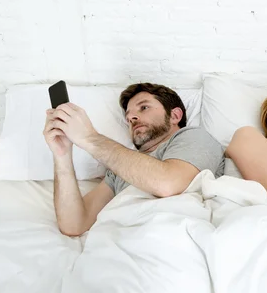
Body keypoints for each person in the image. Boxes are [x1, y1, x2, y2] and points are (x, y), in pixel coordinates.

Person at [43, 83, 225, 236]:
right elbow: (75, 225)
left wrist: (90, 138)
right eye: (128, 117)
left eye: (144, 107)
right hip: (118, 246)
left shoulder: (193, 137)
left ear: (175, 116)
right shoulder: (118, 168)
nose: (131, 117)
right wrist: (62, 155)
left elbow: (168, 184)